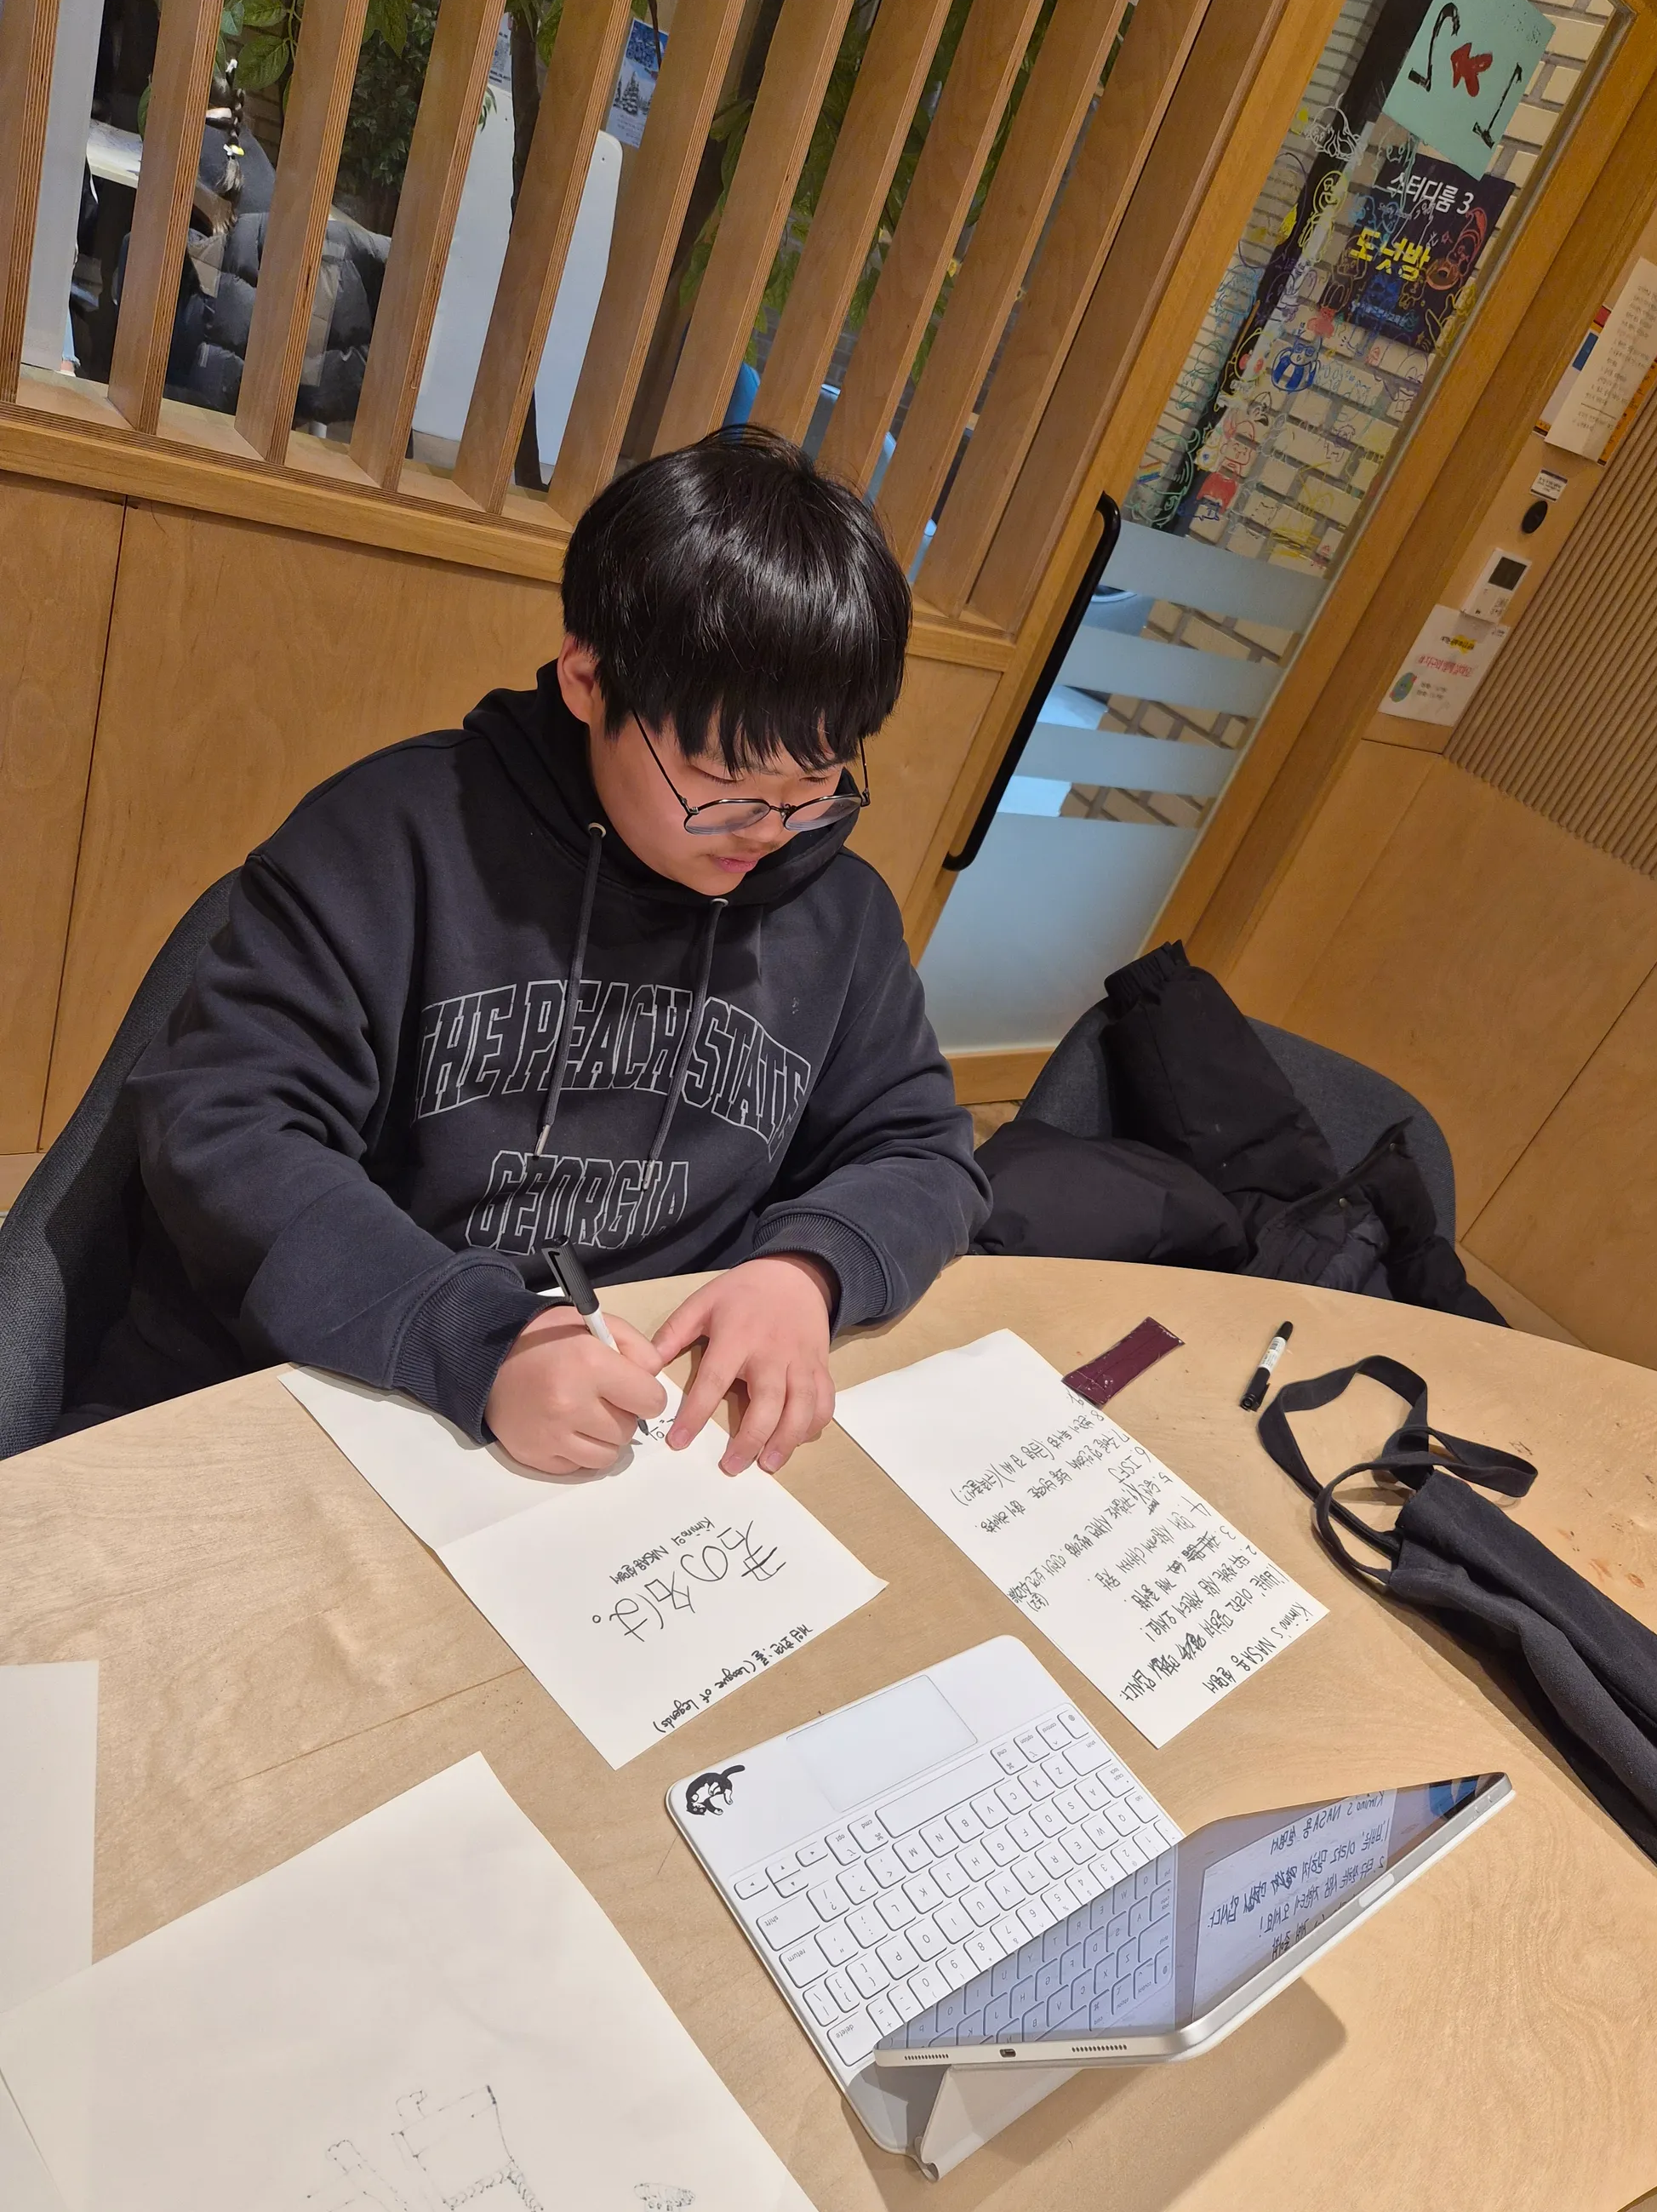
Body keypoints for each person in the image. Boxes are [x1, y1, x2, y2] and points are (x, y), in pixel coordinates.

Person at [71, 429, 988, 1475]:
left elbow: (922, 1153)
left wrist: (806, 1270)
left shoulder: (841, 914)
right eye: (721, 782)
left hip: (650, 1437)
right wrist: (480, 1340)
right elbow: (225, 1127)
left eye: (813, 785)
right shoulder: (392, 840)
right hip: (345, 1382)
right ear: (588, 678)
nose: (768, 831)